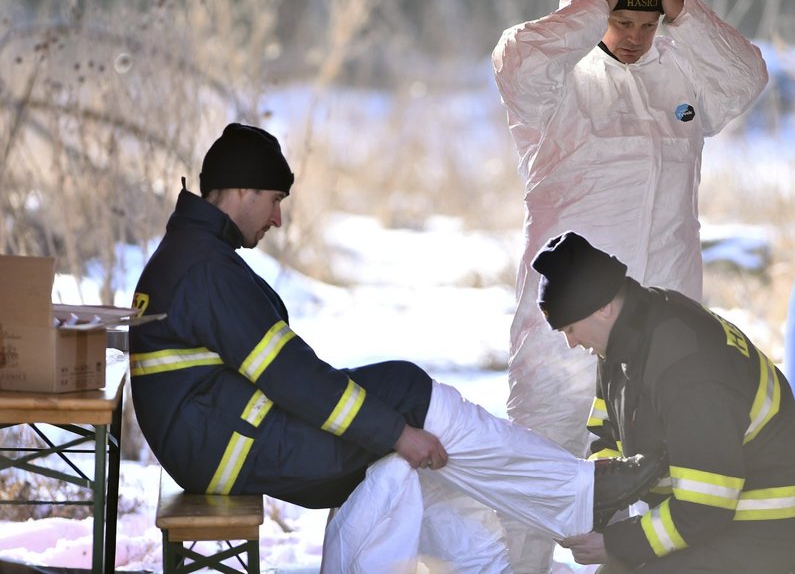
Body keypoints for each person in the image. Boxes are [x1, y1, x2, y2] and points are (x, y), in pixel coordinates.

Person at [127, 123, 668, 572]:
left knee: (422, 453)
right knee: (405, 395)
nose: (277, 218)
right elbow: (290, 376)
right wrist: (394, 430)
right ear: (242, 190)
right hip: (230, 446)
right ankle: (584, 493)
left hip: (221, 440)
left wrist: (399, 435)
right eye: (273, 200)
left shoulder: (194, 255)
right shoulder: (205, 268)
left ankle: (532, 535)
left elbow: (281, 375)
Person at [491, 0, 769, 570]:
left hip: (660, 322)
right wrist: (592, 7)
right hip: (564, 321)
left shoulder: (684, 80)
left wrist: (685, 12)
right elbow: (517, 63)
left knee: (654, 470)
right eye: (624, 22)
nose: (637, 37)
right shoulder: (558, 80)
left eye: (649, 24)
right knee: (541, 459)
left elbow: (748, 77)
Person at [526, 231, 795, 574]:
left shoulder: (687, 369)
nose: (571, 343)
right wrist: (594, 497)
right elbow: (607, 432)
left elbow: (706, 505)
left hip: (761, 523)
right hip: (712, 517)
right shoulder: (625, 341)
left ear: (603, 307)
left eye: (571, 328)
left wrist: (615, 543)